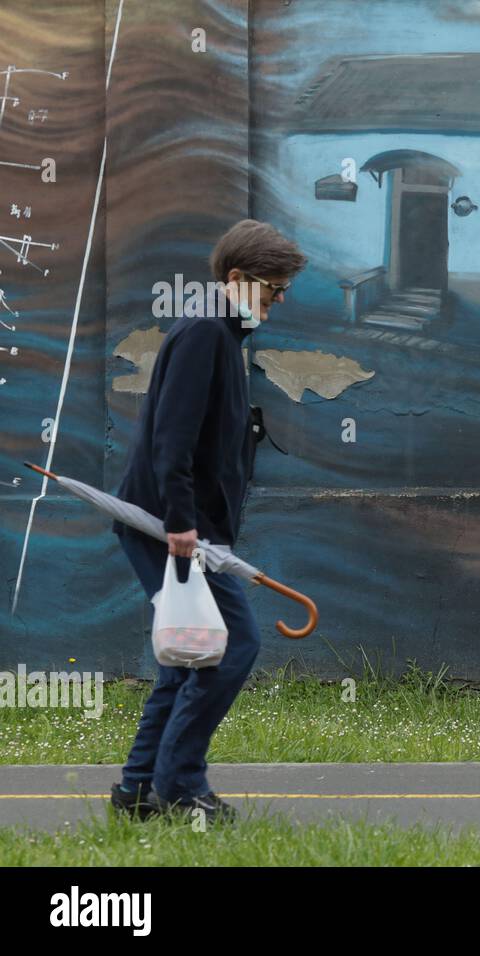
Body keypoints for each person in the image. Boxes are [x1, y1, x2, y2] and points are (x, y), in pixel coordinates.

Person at [109, 219, 306, 825]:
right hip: (172, 526)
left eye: (283, 291)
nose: (278, 301)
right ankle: (181, 786)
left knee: (189, 652)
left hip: (185, 524)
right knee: (232, 647)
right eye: (273, 289)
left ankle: (139, 790)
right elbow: (171, 435)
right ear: (238, 279)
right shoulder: (203, 335)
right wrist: (181, 524)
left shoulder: (221, 337)